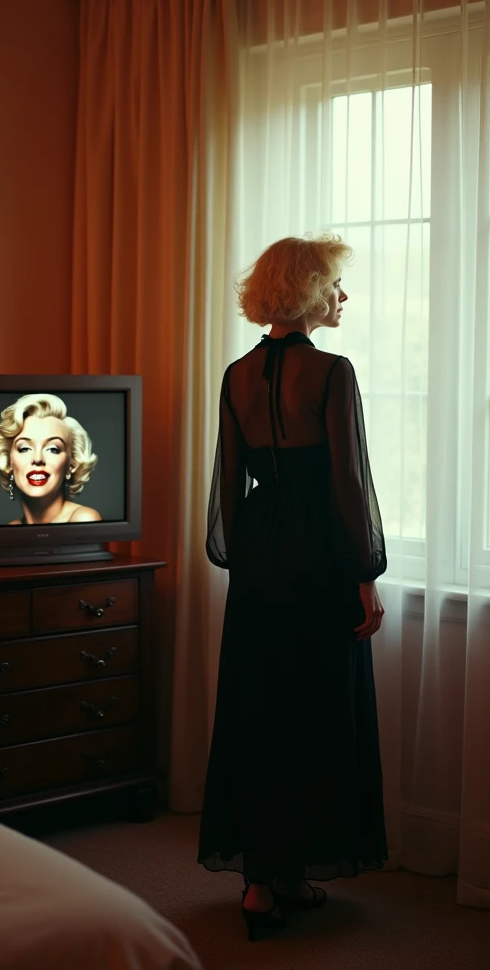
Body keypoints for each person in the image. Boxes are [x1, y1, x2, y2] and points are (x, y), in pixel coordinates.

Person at [197, 234, 387, 941]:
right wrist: (365, 573)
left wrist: (247, 555)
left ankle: (262, 882)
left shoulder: (235, 375)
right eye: (335, 285)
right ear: (308, 292)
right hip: (316, 553)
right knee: (312, 705)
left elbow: (229, 482)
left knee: (259, 705)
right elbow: (347, 480)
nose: (342, 298)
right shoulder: (333, 372)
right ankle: (289, 872)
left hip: (260, 552)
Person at [0, 393, 102, 525]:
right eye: (24, 448)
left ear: (71, 465)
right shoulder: (10, 530)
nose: (38, 459)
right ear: (8, 463)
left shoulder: (84, 519)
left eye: (53, 449)